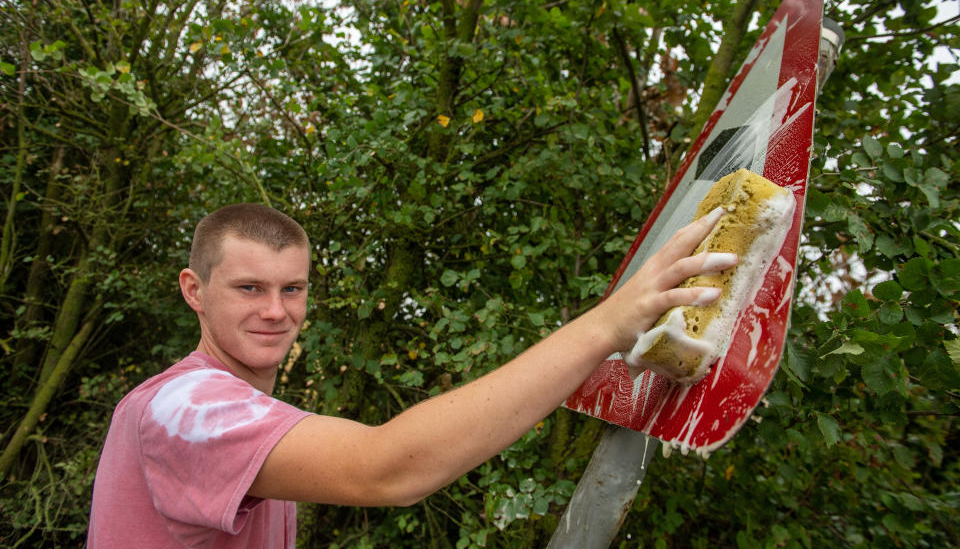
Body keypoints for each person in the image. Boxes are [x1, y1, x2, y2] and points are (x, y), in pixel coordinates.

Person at [87, 202, 735, 548]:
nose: (276, 311)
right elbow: (386, 468)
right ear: (194, 290)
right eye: (249, 287)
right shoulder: (185, 408)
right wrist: (606, 326)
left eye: (293, 288)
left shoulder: (249, 422)